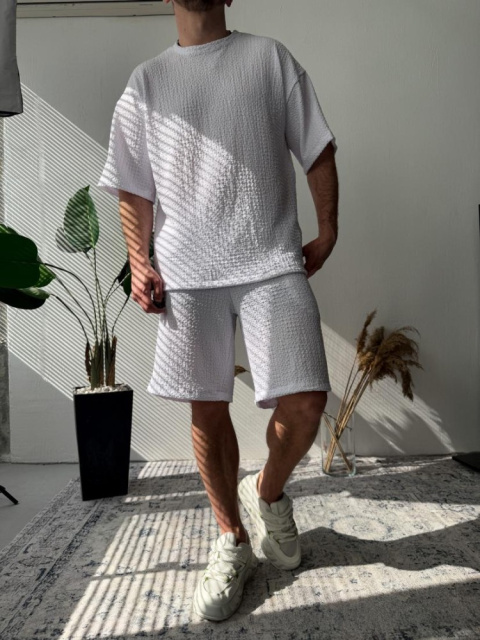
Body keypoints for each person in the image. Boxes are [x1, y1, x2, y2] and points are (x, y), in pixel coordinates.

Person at [97, 0, 339, 623]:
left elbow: (316, 146)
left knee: (307, 400)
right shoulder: (148, 81)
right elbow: (132, 182)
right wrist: (140, 260)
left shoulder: (268, 58)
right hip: (187, 272)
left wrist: (329, 228)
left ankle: (268, 493)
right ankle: (231, 538)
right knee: (206, 407)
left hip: (271, 258)